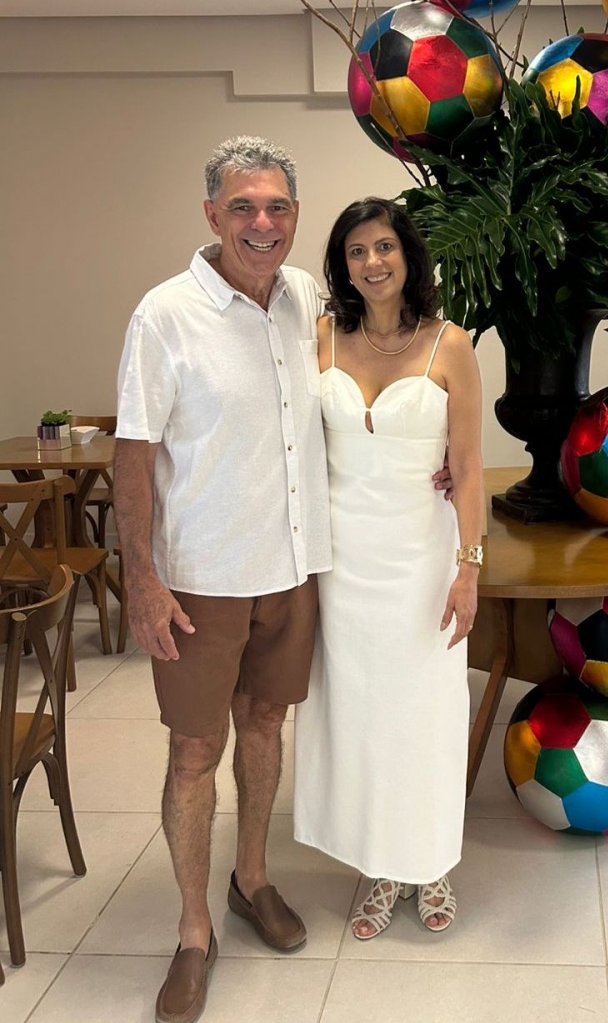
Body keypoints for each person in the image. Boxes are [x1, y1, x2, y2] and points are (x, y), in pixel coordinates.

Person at [115, 140, 451, 1023]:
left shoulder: (306, 300)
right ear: (212, 215)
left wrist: (430, 456)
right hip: (202, 578)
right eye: (243, 207)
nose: (261, 223)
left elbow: (374, 381)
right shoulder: (165, 315)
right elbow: (133, 455)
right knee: (195, 754)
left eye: (277, 207)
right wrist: (140, 578)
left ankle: (252, 880)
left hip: (296, 571)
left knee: (265, 728)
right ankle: (193, 932)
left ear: (295, 216)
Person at [293, 197, 484, 938]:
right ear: (342, 266)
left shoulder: (449, 345)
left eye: (384, 248)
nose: (372, 263)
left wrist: (468, 568)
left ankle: (430, 861)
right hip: (342, 564)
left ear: (408, 257)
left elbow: (467, 469)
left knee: (424, 713)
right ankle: (379, 863)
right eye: (356, 251)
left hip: (420, 559)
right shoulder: (320, 339)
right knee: (361, 715)